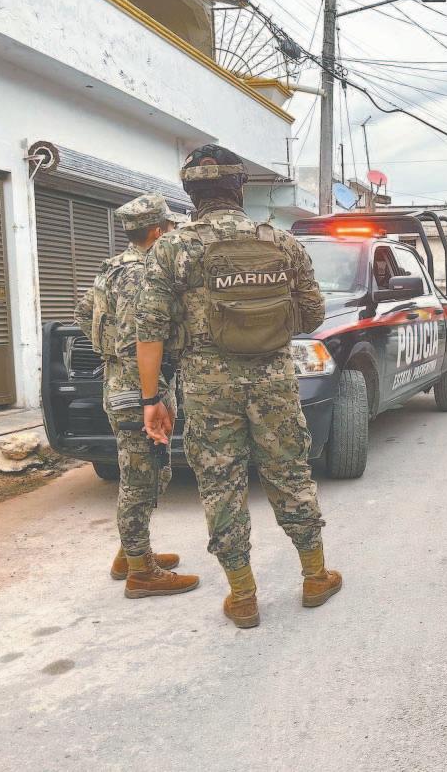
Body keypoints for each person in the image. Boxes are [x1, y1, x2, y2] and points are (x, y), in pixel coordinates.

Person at [134, 144, 340, 629]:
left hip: (207, 388)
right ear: (240, 188)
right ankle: (315, 577)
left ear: (190, 193)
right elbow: (312, 314)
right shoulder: (282, 243)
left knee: (220, 486)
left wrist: (151, 399)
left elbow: (150, 330)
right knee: (290, 474)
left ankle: (243, 597)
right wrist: (266, 324)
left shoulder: (171, 249)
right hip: (274, 383)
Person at [75, 193, 199, 599]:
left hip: (127, 383)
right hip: (138, 387)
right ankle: (141, 573)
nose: (174, 232)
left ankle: (131, 554)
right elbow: (135, 341)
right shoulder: (141, 274)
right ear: (157, 232)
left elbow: (83, 314)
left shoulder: (112, 267)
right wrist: (151, 395)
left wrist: (108, 350)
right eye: (170, 227)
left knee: (153, 472)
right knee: (139, 478)